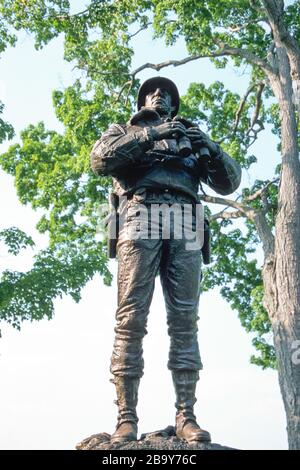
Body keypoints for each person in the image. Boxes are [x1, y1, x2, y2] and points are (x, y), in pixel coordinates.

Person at [91, 77, 241, 444]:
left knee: (185, 322)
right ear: (142, 99)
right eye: (153, 92)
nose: (160, 95)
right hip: (140, 213)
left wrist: (210, 146)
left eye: (168, 93)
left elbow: (230, 182)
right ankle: (126, 418)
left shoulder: (190, 138)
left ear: (176, 103)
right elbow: (100, 160)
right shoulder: (123, 130)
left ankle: (186, 416)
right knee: (130, 319)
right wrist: (149, 134)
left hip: (187, 220)